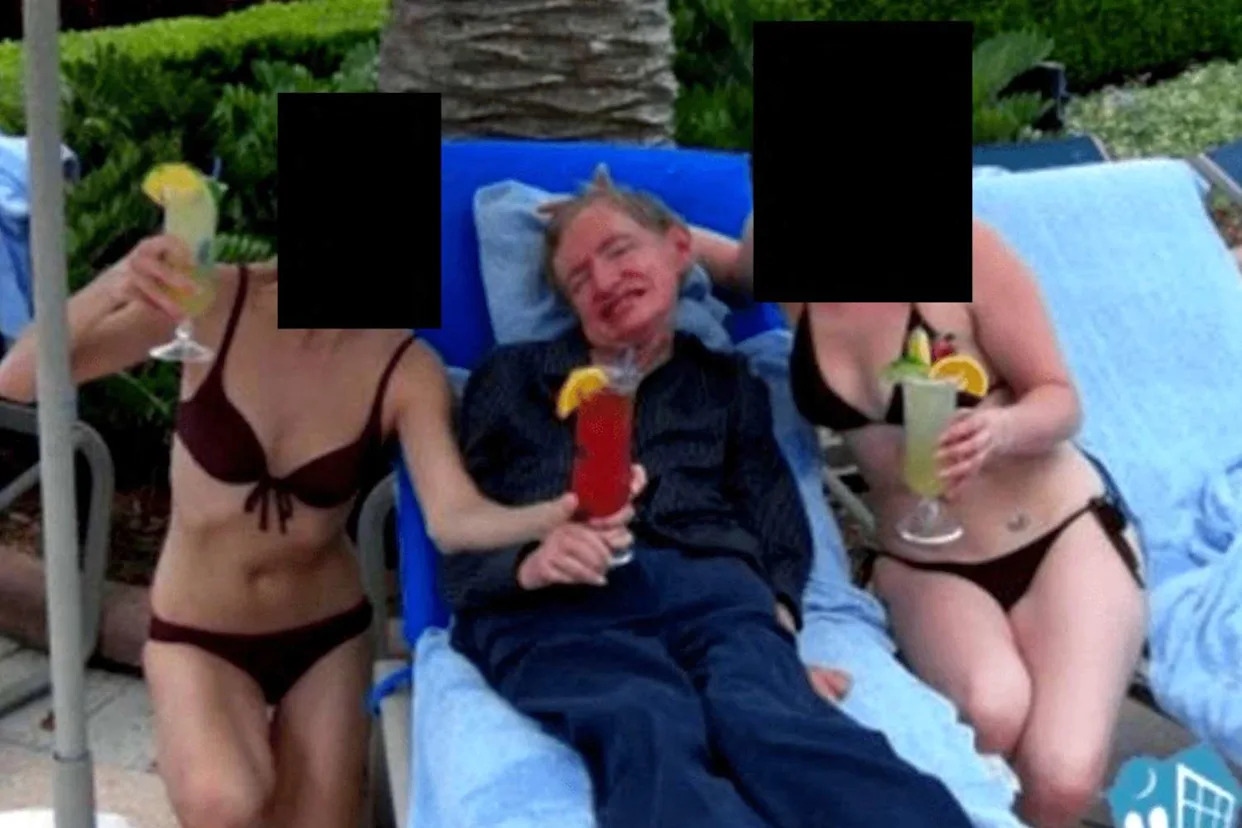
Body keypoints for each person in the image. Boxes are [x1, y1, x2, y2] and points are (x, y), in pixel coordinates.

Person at [0, 236, 628, 828]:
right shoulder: (212, 300)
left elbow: (452, 516)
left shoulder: (404, 365)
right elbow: (20, 377)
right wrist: (116, 283)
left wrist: (549, 517)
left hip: (324, 635)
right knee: (224, 800)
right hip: (198, 628)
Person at [439, 171, 974, 828]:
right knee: (644, 721)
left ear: (678, 250)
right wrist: (526, 563)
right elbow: (459, 525)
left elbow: (775, 511)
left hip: (715, 598)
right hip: (560, 610)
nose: (602, 281)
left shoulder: (726, 383)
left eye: (619, 250)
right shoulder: (513, 377)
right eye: (578, 280)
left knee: (776, 723)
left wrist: (778, 623)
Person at [695, 215, 1148, 828]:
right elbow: (729, 267)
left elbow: (1059, 398)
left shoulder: (967, 248)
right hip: (925, 560)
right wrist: (606, 218)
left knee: (1061, 774)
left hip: (1057, 534)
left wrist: (1002, 428)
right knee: (990, 712)